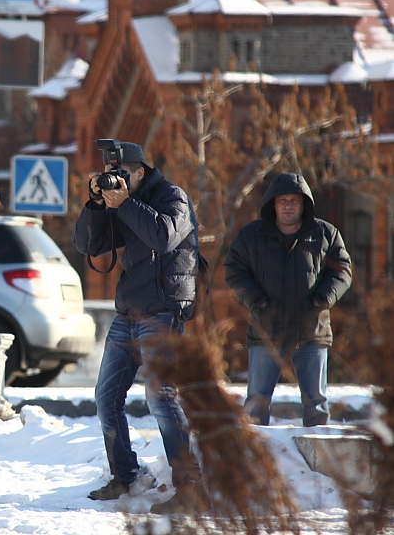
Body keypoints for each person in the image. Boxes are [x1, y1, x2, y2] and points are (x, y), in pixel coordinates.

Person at [74, 141, 205, 514]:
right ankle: (126, 476)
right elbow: (87, 244)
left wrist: (124, 204)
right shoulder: (121, 202)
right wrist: (97, 205)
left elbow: (163, 237)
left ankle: (191, 486)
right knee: (106, 397)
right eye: (112, 174)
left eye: (123, 174)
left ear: (141, 171)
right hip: (127, 315)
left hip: (162, 314)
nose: (118, 180)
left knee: (160, 397)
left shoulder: (172, 197)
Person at [224, 173, 352, 427]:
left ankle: (318, 459)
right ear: (273, 203)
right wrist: (256, 301)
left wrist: (323, 299)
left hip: (311, 329)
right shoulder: (251, 235)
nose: (289, 205)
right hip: (265, 329)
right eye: (283, 200)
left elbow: (342, 271)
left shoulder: (325, 233)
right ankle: (255, 458)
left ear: (304, 204)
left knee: (316, 402)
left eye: (294, 200)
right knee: (256, 403)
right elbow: (234, 271)